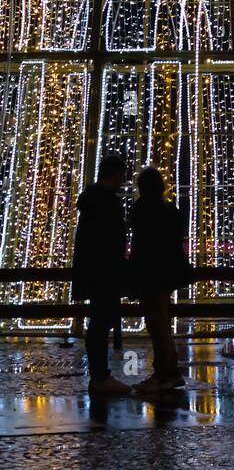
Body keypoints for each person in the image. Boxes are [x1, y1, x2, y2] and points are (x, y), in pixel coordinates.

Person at [72, 152, 129, 396]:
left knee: (98, 322)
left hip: (94, 271)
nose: (123, 181)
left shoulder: (92, 201)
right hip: (105, 272)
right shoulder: (106, 203)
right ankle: (100, 376)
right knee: (101, 322)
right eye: (121, 176)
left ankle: (99, 375)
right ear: (114, 175)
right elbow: (111, 238)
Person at [129, 167, 191, 392]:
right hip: (168, 273)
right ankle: (169, 370)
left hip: (150, 274)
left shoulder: (141, 210)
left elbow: (139, 245)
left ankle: (164, 373)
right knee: (162, 321)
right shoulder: (169, 209)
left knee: (156, 323)